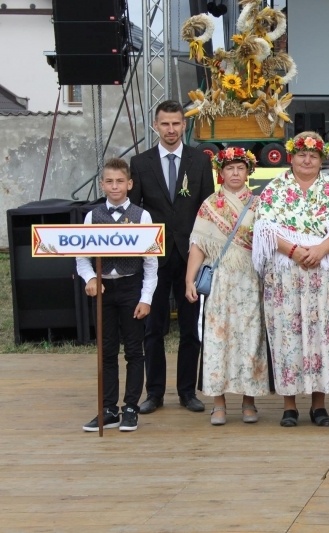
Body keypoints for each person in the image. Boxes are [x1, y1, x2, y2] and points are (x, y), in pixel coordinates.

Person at [252, 131, 329, 427]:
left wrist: (321, 249)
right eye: (301, 154)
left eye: (313, 155)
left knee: (323, 335)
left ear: (321, 159)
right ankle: (289, 406)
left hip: (324, 277)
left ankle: (319, 405)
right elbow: (265, 230)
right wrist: (295, 251)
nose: (307, 159)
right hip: (286, 275)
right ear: (291, 157)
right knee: (288, 334)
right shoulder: (274, 189)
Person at [129, 100, 215, 414]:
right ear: (156, 125)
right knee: (153, 328)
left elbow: (207, 210)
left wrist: (204, 251)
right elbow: (134, 212)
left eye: (176, 123)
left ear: (184, 125)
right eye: (165, 124)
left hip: (191, 255)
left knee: (191, 329)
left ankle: (187, 392)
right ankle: (154, 393)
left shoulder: (199, 161)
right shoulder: (139, 163)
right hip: (154, 259)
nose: (170, 129)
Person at [185, 147, 270, 426]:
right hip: (220, 280)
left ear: (248, 172)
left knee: (251, 339)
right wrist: (190, 280)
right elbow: (198, 245)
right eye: (230, 168)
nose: (235, 173)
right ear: (220, 173)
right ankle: (218, 403)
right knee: (218, 339)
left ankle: (249, 401)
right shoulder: (209, 205)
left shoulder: (260, 205)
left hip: (249, 280)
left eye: (240, 168)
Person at [77, 158, 158, 432]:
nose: (115, 186)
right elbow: (81, 255)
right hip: (104, 289)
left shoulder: (141, 216)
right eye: (109, 181)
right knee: (107, 350)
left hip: (131, 286)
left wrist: (146, 297)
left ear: (130, 184)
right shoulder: (92, 216)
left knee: (135, 350)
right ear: (102, 184)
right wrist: (90, 277)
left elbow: (150, 263)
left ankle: (131, 408)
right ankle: (108, 408)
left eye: (120, 181)